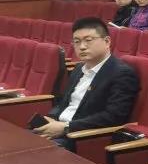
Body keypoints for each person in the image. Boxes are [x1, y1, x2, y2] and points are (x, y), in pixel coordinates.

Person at [34, 18, 139, 150]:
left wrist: (66, 127)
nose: (82, 47)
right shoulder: (78, 68)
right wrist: (51, 118)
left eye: (88, 40)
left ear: (107, 41)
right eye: (77, 42)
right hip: (59, 128)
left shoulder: (121, 73)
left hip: (80, 137)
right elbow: (63, 103)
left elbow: (113, 117)